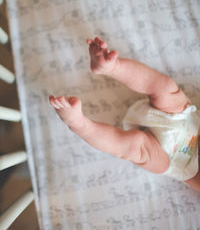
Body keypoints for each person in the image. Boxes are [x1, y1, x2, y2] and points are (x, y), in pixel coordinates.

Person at [49, 37, 200, 191]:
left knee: (134, 147)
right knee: (165, 87)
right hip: (186, 119)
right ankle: (113, 67)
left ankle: (79, 123)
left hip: (178, 161)